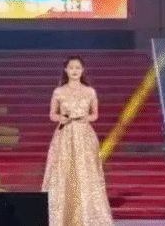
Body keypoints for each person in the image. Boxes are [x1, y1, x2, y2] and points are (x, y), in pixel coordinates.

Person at [41, 56, 113, 226]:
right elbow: (52, 114)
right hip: (65, 135)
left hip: (85, 135)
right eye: (71, 67)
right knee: (63, 172)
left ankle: (87, 217)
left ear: (82, 70)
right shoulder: (58, 91)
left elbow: (95, 115)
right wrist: (61, 118)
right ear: (66, 70)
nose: (74, 71)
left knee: (85, 171)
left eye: (78, 68)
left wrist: (85, 118)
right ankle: (61, 217)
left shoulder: (90, 91)